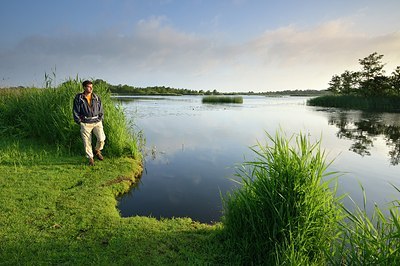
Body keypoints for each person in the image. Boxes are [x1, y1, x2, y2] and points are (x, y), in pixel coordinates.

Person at [73, 80, 106, 166]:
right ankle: (90, 158)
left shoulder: (96, 97)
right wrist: (79, 121)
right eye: (89, 86)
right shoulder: (79, 98)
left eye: (91, 86)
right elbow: (75, 111)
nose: (91, 88)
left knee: (101, 139)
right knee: (87, 142)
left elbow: (101, 109)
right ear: (84, 87)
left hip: (97, 122)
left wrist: (100, 118)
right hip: (85, 123)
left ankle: (97, 150)